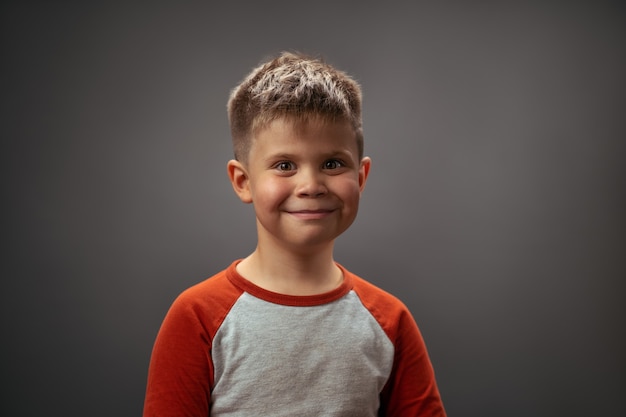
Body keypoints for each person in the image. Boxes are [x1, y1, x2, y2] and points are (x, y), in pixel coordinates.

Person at [143, 51, 446, 417]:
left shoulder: (389, 321)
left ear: (361, 177)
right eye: (285, 165)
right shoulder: (196, 318)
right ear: (243, 181)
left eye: (332, 164)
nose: (311, 185)